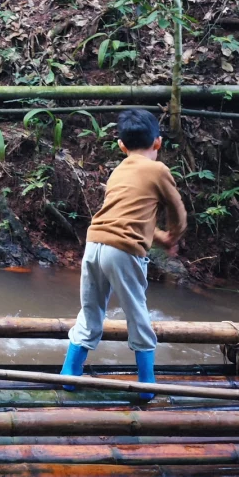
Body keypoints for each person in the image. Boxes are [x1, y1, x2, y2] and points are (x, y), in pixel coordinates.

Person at [60, 107, 187, 396]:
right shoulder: (158, 170)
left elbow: (132, 220)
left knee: (91, 310)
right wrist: (172, 237)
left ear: (121, 146)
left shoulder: (118, 172)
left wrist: (157, 236)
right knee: (137, 313)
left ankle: (69, 374)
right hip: (124, 251)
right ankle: (145, 383)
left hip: (94, 244)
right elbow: (177, 211)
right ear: (158, 143)